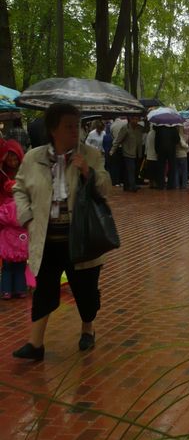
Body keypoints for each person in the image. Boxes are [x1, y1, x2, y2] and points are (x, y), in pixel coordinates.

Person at [12, 102, 111, 360]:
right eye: (68, 126)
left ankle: (87, 328)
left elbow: (105, 189)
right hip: (47, 238)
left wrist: (87, 171)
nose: (75, 131)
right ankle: (35, 344)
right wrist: (27, 218)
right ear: (53, 129)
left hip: (81, 239)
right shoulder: (33, 158)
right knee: (44, 290)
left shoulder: (90, 154)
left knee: (86, 292)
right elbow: (19, 189)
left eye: (77, 126)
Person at [0, 140, 29, 299]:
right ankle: (20, 289)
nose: (12, 160)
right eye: (8, 157)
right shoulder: (2, 173)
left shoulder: (24, 172)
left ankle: (7, 290)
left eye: (14, 157)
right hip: (20, 234)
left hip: (9, 235)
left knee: (9, 265)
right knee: (18, 264)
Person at [110, 115, 143, 192]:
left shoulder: (139, 128)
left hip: (137, 152)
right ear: (130, 119)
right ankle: (132, 186)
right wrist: (112, 150)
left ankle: (128, 185)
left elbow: (146, 130)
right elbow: (118, 140)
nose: (135, 121)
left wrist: (146, 120)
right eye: (133, 119)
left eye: (137, 119)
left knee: (133, 169)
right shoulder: (125, 128)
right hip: (128, 152)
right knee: (131, 169)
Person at [155, 123, 180, 190]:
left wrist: (157, 150)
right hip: (171, 150)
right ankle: (170, 185)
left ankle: (161, 184)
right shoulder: (173, 129)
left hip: (161, 150)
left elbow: (156, 141)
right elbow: (178, 140)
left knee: (161, 167)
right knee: (171, 167)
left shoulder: (159, 129)